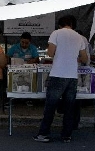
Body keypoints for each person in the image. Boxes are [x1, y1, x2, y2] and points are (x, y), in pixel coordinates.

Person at [33, 15, 88, 143]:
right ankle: (66, 135)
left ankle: (44, 133)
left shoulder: (56, 33)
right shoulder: (79, 37)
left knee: (51, 105)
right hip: (72, 76)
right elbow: (84, 58)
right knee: (69, 107)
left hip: (58, 73)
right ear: (72, 25)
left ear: (60, 24)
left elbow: (50, 53)